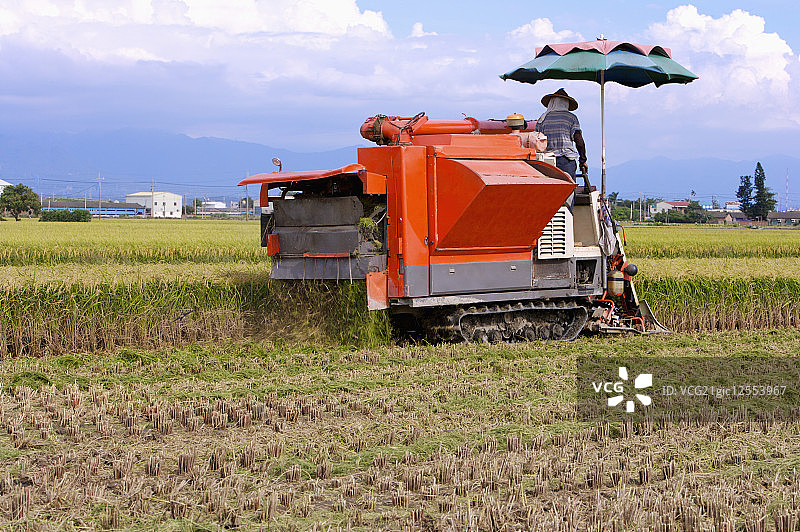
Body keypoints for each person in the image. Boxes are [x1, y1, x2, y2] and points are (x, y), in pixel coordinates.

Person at [534, 88, 588, 179]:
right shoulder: (571, 118)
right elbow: (579, 141)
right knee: (569, 189)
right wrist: (583, 160)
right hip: (566, 160)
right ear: (566, 103)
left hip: (546, 161)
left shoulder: (542, 119)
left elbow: (536, 141)